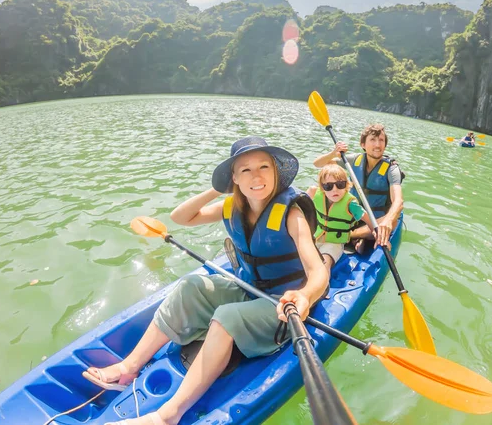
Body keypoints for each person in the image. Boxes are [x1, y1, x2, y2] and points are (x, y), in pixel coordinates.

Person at [82, 137, 329, 425]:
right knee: (190, 285)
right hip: (248, 289)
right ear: (234, 178)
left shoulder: (292, 213)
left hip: (282, 306)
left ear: (276, 172)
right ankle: (128, 367)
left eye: (264, 167)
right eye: (245, 170)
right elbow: (181, 217)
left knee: (226, 316)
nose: (256, 176)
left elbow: (318, 272)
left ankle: (167, 416)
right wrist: (218, 186)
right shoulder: (231, 207)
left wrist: (305, 296)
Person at [313, 124, 403, 251]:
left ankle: (351, 235)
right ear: (363, 145)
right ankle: (358, 236)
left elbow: (398, 201)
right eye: (372, 140)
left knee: (392, 221)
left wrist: (388, 221)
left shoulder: (392, 169)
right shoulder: (354, 160)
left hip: (376, 217)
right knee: (316, 191)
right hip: (353, 212)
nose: (377, 145)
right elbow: (317, 163)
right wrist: (334, 153)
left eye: (381, 140)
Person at [306, 164, 372, 272]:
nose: (334, 190)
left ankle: (320, 286)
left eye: (340, 184)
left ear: (346, 186)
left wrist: (380, 237)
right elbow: (297, 207)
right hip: (316, 238)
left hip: (335, 243)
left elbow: (370, 222)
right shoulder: (314, 193)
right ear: (322, 188)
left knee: (324, 264)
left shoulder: (351, 205)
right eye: (328, 186)